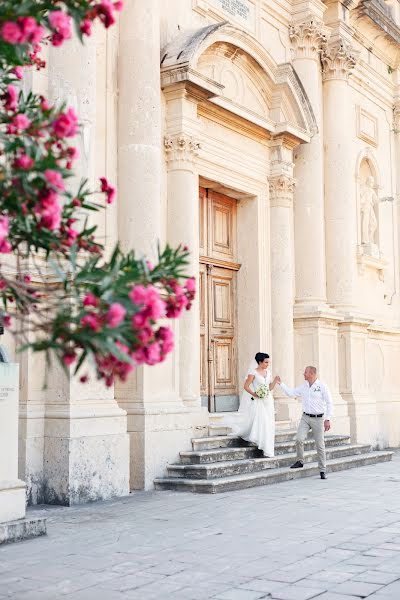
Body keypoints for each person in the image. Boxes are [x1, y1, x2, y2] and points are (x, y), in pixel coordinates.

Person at [278, 366, 333, 479]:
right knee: (299, 439)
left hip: (318, 419)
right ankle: (300, 461)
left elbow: (329, 403)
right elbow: (291, 393)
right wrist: (280, 384)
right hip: (305, 418)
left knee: (320, 445)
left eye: (306, 372)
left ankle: (322, 470)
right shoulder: (303, 386)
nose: (304, 374)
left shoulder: (322, 386)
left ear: (312, 373)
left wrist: (328, 419)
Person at [228, 352, 280, 457]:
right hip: (258, 400)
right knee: (263, 421)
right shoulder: (253, 373)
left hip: (268, 400)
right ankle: (262, 444)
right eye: (266, 362)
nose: (267, 364)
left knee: (269, 422)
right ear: (260, 362)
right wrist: (254, 394)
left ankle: (267, 445)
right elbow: (246, 386)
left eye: (268, 362)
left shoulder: (268, 372)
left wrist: (274, 381)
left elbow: (269, 388)